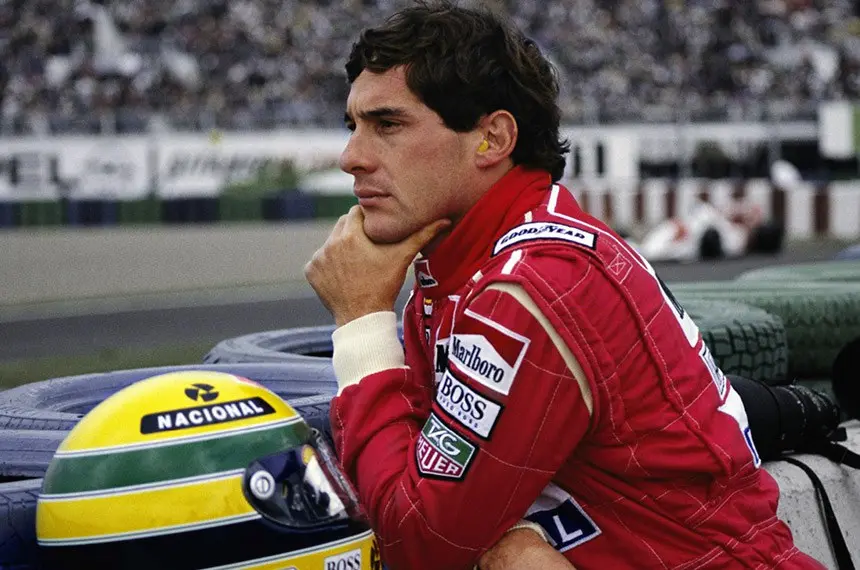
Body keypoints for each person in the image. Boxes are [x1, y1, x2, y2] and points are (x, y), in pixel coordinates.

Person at [304, 2, 825, 569]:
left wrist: (361, 322)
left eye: (387, 125)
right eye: (353, 127)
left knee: (509, 555)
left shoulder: (529, 288)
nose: (351, 158)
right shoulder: (468, 272)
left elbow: (421, 544)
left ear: (492, 138)